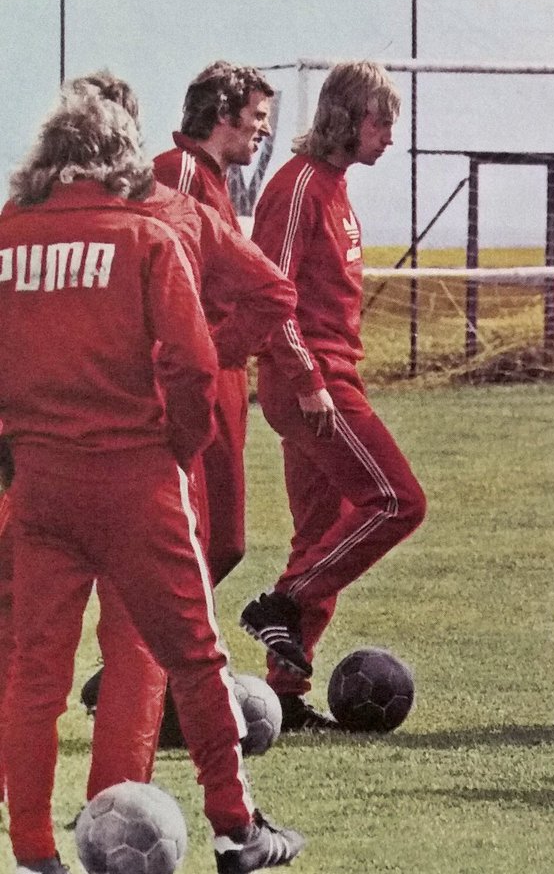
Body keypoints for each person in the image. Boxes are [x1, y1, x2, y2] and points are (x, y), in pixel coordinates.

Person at [0, 81, 303, 874]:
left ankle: (32, 851)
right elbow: (196, 363)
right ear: (119, 154)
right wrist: (177, 444)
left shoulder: (6, 236)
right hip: (137, 476)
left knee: (36, 670)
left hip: (41, 482)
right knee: (194, 659)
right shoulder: (147, 231)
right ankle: (236, 831)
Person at [239, 59, 427, 731]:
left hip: (330, 375)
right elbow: (271, 295)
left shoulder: (336, 186)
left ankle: (285, 697)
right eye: (383, 122)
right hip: (313, 384)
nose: (391, 136)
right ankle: (283, 602)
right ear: (347, 118)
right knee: (399, 502)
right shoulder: (296, 189)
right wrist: (310, 381)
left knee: (321, 534)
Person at [153, 60, 281, 583]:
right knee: (189, 534)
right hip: (188, 367)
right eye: (258, 114)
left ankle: (165, 658)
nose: (265, 127)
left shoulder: (220, 182)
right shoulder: (178, 168)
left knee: (226, 541)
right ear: (223, 113)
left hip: (223, 368)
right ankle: (154, 658)